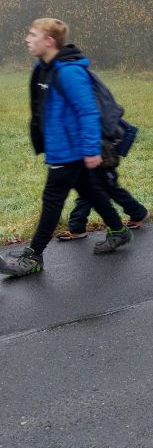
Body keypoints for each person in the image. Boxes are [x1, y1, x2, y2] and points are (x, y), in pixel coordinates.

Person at [0, 19, 132, 278]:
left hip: (70, 150)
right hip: (61, 147)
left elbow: (88, 112)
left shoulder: (69, 73)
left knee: (52, 201)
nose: (27, 39)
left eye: (33, 34)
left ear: (49, 41)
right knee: (91, 191)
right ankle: (118, 231)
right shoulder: (44, 67)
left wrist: (91, 150)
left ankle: (33, 256)